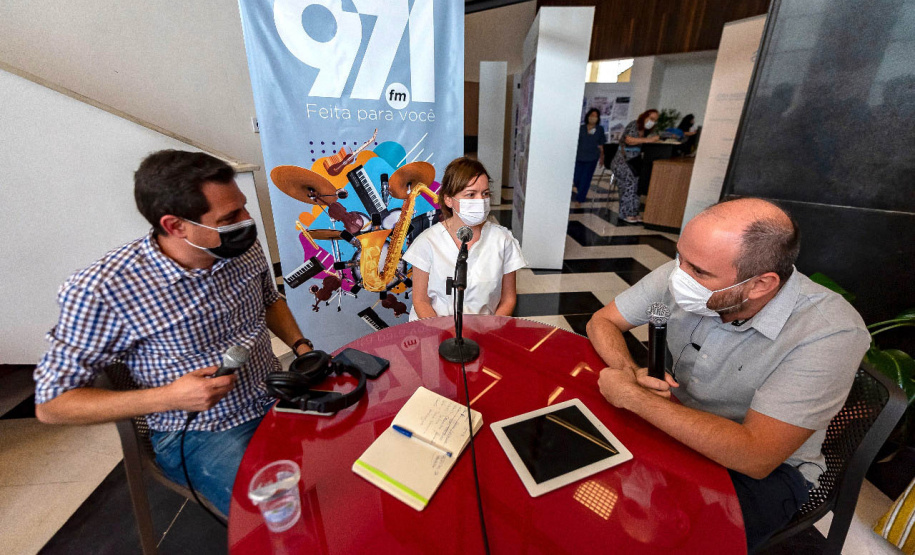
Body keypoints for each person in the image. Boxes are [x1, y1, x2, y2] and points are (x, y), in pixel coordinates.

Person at [33, 150, 314, 515]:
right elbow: (52, 404)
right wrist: (169, 396)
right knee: (287, 515)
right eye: (230, 216)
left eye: (243, 208)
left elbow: (269, 300)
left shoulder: (239, 246)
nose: (246, 221)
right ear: (174, 225)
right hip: (203, 431)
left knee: (351, 472)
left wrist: (302, 347)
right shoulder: (103, 289)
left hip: (275, 393)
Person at [586, 198, 870, 552]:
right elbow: (604, 320)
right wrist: (627, 372)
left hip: (764, 472)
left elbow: (755, 457)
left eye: (699, 272)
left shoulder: (828, 332)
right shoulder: (683, 276)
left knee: (663, 543)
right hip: (674, 420)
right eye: (679, 258)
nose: (679, 277)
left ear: (760, 284)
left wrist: (633, 397)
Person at [403, 157, 526, 321]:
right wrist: (441, 333)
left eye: (485, 193)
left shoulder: (503, 240)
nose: (480, 201)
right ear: (448, 199)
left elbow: (508, 299)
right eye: (471, 194)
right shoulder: (427, 241)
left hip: (485, 332)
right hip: (433, 332)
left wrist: (489, 329)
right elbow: (420, 301)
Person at [610, 109, 660, 224]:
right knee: (629, 185)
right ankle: (626, 213)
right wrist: (648, 140)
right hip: (622, 162)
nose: (652, 122)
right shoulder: (634, 124)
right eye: (651, 119)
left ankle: (633, 212)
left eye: (655, 120)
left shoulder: (647, 131)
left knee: (636, 187)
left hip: (634, 162)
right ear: (645, 117)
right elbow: (629, 140)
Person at [573, 108, 607, 205]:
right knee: (577, 178)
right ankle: (581, 191)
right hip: (579, 156)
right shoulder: (581, 128)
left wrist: (602, 157)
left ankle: (580, 198)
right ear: (588, 116)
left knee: (586, 179)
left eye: (595, 116)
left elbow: (601, 145)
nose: (593, 118)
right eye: (592, 115)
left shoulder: (599, 129)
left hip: (592, 157)